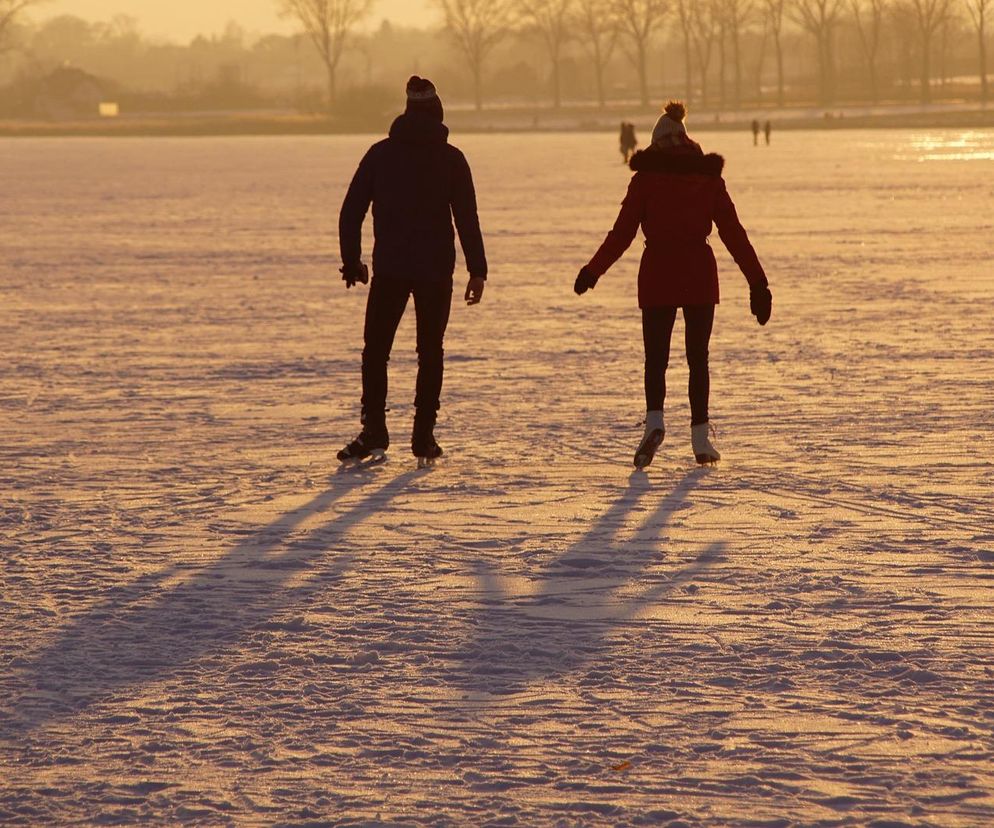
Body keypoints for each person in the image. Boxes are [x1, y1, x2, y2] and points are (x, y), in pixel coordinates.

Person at [574, 101, 772, 468]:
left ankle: (654, 422)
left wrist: (593, 271)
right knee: (698, 359)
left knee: (656, 359)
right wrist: (757, 283)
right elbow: (733, 233)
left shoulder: (645, 179)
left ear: (658, 144)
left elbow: (621, 234)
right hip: (698, 271)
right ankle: (700, 438)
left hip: (658, 272)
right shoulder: (708, 178)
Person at [337, 76, 488, 465]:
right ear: (437, 112)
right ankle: (423, 437)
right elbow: (467, 218)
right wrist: (477, 270)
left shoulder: (380, 154)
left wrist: (352, 261)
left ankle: (374, 430)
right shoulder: (451, 158)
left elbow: (350, 211)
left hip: (391, 268)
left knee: (376, 351)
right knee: (430, 352)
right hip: (435, 270)